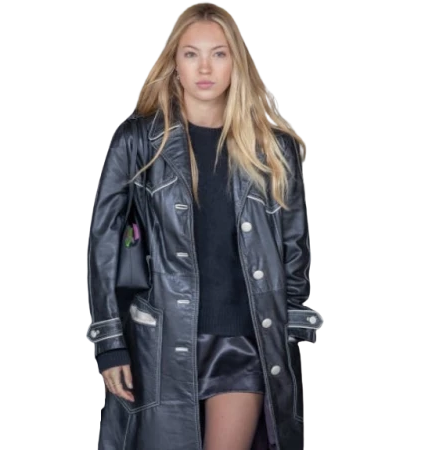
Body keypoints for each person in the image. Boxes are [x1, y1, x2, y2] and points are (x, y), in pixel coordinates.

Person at [85, 2, 322, 450]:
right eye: (191, 54)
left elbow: (295, 253)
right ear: (174, 64)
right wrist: (109, 342)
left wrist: (292, 341)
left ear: (237, 63)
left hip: (244, 343)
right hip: (160, 344)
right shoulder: (138, 143)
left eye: (219, 54)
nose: (205, 68)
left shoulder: (273, 150)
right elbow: (104, 245)